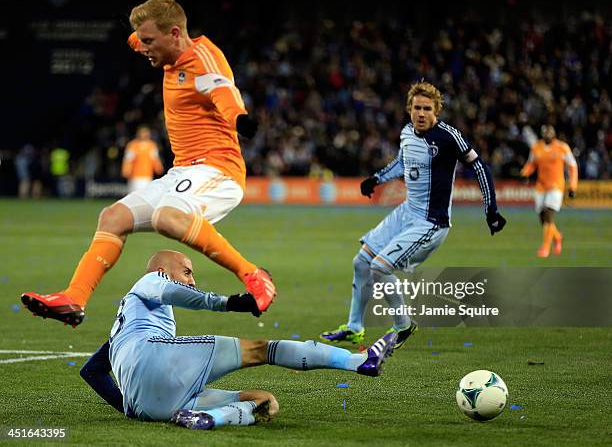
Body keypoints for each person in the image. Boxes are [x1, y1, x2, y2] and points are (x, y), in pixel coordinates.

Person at [21, 0, 275, 327]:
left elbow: (223, 91)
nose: (144, 48)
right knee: (113, 217)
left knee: (166, 218)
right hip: (183, 170)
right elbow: (137, 38)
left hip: (218, 170)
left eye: (149, 41)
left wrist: (239, 118)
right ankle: (74, 298)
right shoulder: (162, 47)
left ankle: (253, 275)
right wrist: (128, 29)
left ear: (174, 33)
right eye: (141, 41)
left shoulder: (202, 60)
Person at [80, 250, 397, 429]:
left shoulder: (127, 323)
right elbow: (175, 291)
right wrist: (231, 302)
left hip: (147, 404)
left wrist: (129, 405)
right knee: (262, 350)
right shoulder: (151, 279)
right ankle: (359, 360)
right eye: (188, 272)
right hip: (157, 358)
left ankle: (208, 419)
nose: (193, 279)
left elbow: (92, 370)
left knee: (262, 401)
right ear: (163, 270)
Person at [320, 81, 506, 348]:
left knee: (380, 267)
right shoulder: (407, 132)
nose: (421, 113)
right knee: (361, 262)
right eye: (417, 108)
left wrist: (491, 209)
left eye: (427, 109)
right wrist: (376, 179)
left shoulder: (448, 136)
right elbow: (402, 163)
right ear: (409, 109)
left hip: (431, 222)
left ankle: (403, 325)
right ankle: (354, 327)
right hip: (407, 211)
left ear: (437, 111)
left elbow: (479, 166)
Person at [520, 125, 578, 258]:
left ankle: (545, 248)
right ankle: (557, 237)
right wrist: (524, 173)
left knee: (548, 214)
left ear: (554, 134)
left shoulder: (562, 147)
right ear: (542, 134)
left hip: (556, 185)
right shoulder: (536, 147)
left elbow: (573, 166)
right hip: (541, 186)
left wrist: (573, 186)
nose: (548, 134)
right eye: (545, 132)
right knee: (542, 218)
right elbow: (531, 163)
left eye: (550, 132)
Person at [121, 125, 164, 194]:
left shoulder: (152, 145)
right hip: (134, 176)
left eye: (146, 133)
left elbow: (155, 158)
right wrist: (126, 170)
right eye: (143, 132)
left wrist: (159, 168)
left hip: (147, 176)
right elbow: (128, 159)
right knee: (133, 196)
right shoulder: (133, 145)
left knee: (145, 196)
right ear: (138, 133)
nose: (144, 134)